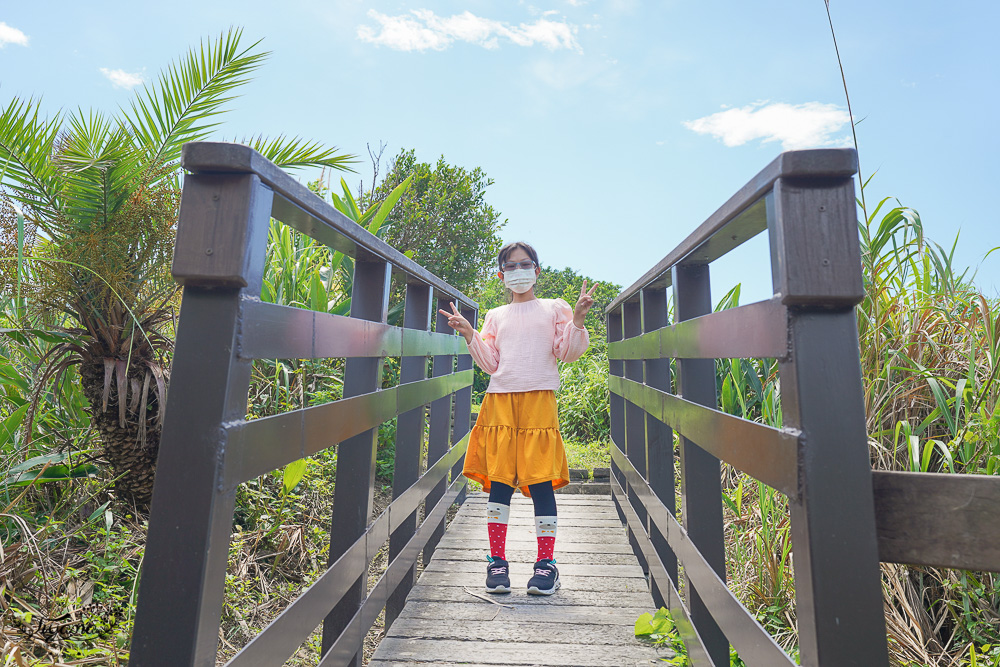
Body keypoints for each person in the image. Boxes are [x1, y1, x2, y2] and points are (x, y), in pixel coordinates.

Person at [439, 241, 597, 595]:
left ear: (537, 271)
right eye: (510, 266)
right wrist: (470, 334)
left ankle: (546, 564)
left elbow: (566, 352)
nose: (518, 271)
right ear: (501, 275)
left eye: (525, 264)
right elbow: (492, 363)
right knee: (499, 483)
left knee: (540, 481)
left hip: (539, 402)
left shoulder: (554, 308)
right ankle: (497, 563)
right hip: (500, 403)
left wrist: (578, 318)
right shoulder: (496, 315)